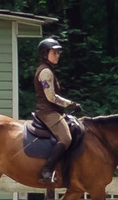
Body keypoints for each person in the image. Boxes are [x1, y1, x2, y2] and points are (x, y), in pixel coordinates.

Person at [30, 36, 82, 188]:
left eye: (58, 53)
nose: (57, 55)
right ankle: (46, 170)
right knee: (65, 138)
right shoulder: (45, 72)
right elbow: (51, 97)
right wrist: (70, 103)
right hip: (47, 112)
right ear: (45, 54)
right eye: (54, 52)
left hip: (53, 111)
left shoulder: (49, 70)